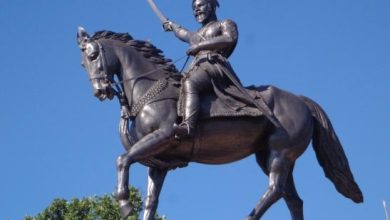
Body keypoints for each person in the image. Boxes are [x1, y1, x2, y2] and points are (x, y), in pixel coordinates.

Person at [164, 0, 278, 138]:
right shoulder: (196, 34)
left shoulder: (225, 23)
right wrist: (171, 25)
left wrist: (200, 47)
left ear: (211, 5)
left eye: (200, 5)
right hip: (197, 66)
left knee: (190, 83)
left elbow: (229, 38)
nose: (196, 10)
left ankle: (188, 127)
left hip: (215, 65)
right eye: (194, 8)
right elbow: (183, 32)